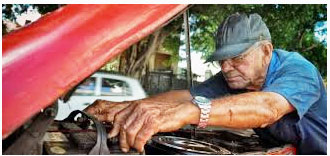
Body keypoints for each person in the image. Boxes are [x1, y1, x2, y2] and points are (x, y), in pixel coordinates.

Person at [85, 13, 327, 154]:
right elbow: (185, 97)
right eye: (222, 60)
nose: (225, 67)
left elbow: (268, 108)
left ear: (266, 51)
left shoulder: (298, 70)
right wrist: (125, 107)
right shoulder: (236, 77)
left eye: (237, 58)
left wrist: (188, 113)